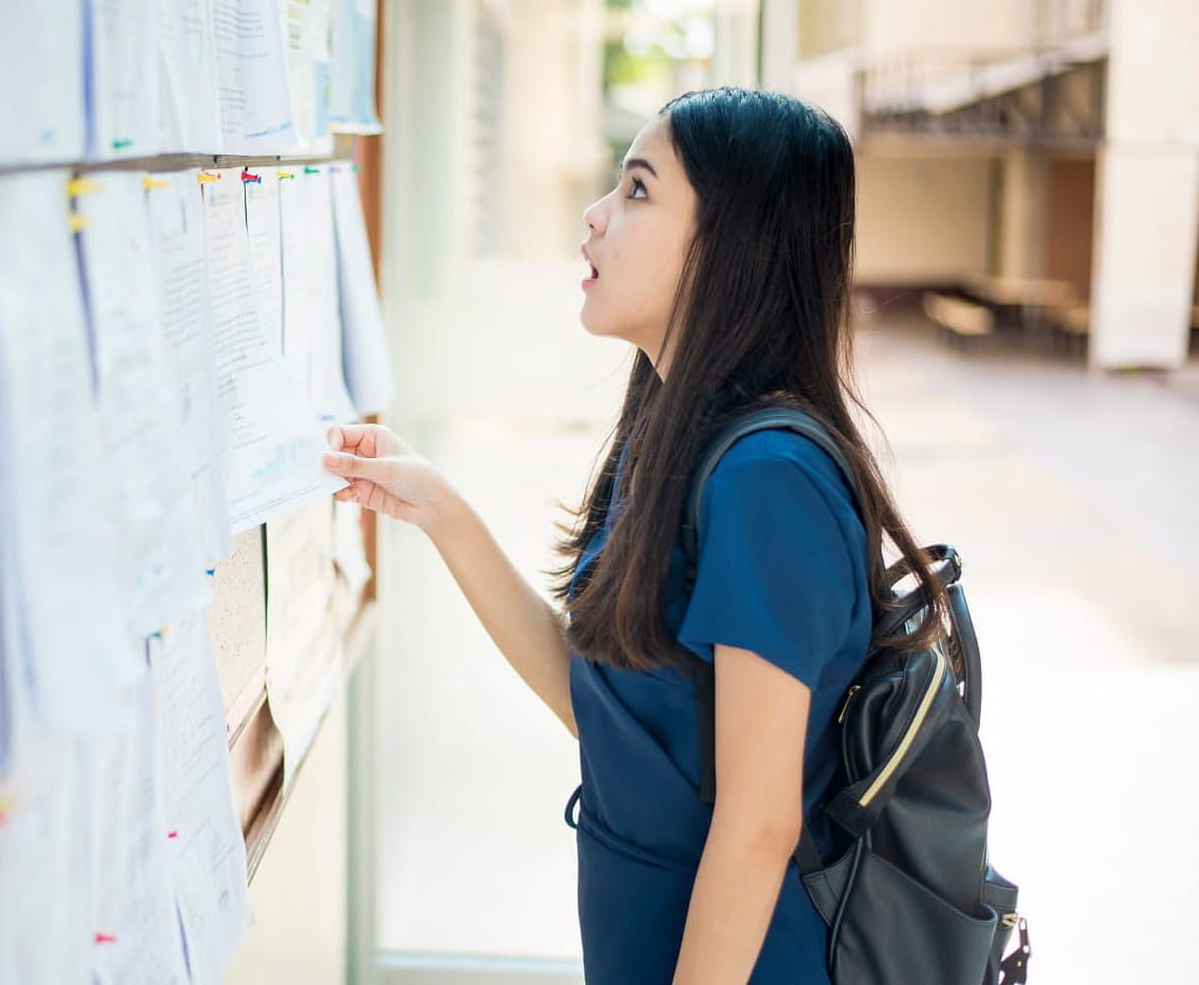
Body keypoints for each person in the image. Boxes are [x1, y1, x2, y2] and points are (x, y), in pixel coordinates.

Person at [321, 88, 948, 985]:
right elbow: (604, 716)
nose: (596, 215)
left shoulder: (768, 481)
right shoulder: (674, 441)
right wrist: (439, 509)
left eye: (639, 191)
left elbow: (759, 822)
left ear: (732, 244)